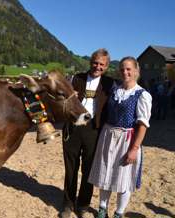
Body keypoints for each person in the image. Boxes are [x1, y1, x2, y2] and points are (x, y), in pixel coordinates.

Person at [88, 57, 152, 218]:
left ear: (137, 71)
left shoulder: (142, 95)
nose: (125, 72)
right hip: (108, 135)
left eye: (129, 69)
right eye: (122, 69)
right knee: (106, 174)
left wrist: (134, 149)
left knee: (124, 179)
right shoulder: (115, 90)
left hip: (127, 139)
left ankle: (118, 213)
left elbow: (142, 125)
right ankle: (102, 209)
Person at [61, 48, 114, 218]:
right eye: (95, 63)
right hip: (73, 127)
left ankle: (83, 205)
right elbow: (61, 100)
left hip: (94, 129)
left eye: (102, 64)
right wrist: (68, 97)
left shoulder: (110, 83)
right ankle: (68, 204)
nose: (97, 66)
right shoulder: (77, 78)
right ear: (90, 62)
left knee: (89, 169)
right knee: (71, 168)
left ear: (106, 66)